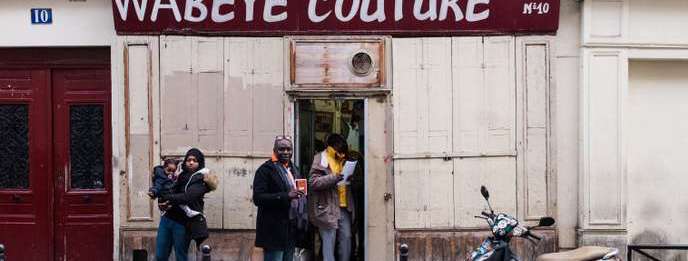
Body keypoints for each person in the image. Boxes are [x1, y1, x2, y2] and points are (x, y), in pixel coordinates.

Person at [156, 148, 217, 261]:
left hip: (183, 224)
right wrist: (162, 202)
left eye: (195, 160)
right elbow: (167, 191)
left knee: (181, 256)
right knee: (160, 256)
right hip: (167, 219)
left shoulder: (202, 180)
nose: (191, 162)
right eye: (189, 159)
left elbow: (187, 197)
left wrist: (167, 198)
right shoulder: (180, 175)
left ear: (200, 163)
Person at [253, 136, 308, 261]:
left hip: (291, 228)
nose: (286, 152)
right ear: (274, 150)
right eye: (281, 149)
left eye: (289, 149)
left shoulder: (294, 169)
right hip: (273, 230)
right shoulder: (265, 170)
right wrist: (286, 195)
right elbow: (258, 198)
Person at [308, 134, 355, 261]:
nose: (342, 155)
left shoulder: (343, 158)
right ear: (332, 148)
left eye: (343, 152)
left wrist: (350, 178)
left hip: (344, 207)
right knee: (329, 243)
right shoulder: (320, 159)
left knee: (346, 239)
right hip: (327, 208)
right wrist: (334, 177)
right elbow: (313, 182)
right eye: (339, 151)